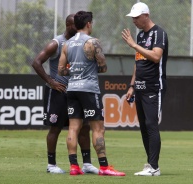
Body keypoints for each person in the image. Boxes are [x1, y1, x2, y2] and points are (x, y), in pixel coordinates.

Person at [58, 11, 125, 176]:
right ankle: (104, 167)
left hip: (72, 89)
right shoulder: (93, 42)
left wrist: (74, 70)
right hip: (88, 89)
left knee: (73, 128)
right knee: (98, 128)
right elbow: (103, 67)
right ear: (88, 24)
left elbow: (60, 71)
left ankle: (74, 166)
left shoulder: (67, 44)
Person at [32, 14, 98, 174]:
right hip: (58, 92)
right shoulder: (57, 43)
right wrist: (51, 82)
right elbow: (36, 62)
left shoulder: (78, 43)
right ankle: (51, 164)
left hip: (75, 91)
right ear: (69, 26)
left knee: (84, 127)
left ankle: (87, 164)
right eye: (75, 25)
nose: (78, 27)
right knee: (55, 128)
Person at [122, 2, 168, 176]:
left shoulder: (159, 33)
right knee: (143, 126)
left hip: (154, 86)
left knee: (151, 124)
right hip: (139, 87)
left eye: (136, 17)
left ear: (146, 15)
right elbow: (138, 62)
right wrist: (132, 86)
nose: (134, 20)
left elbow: (156, 57)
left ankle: (154, 167)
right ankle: (150, 164)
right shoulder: (141, 35)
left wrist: (134, 45)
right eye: (132, 17)